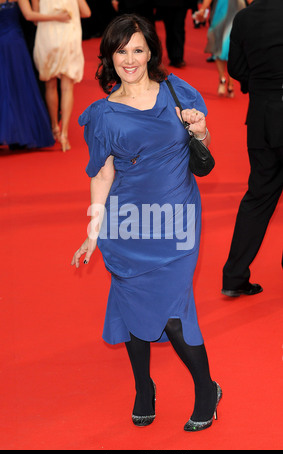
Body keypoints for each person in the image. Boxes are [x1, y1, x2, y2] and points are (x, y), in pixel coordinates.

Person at [71, 14, 222, 432]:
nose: (130, 59)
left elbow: (203, 150)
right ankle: (144, 388)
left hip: (176, 220)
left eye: (138, 49)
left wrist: (202, 129)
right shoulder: (103, 114)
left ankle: (206, 389)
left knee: (174, 315)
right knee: (132, 305)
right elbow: (102, 174)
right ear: (110, 57)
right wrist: (93, 230)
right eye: (121, 51)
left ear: (150, 51)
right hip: (127, 224)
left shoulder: (177, 91)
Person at [221, 0, 283, 297]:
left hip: (261, 120)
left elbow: (236, 67)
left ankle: (234, 276)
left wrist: (256, 85)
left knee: (258, 197)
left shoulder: (244, 18)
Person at [0, 0, 70, 149]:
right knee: (18, 88)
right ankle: (19, 134)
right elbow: (30, 15)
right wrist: (57, 17)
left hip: (12, 42)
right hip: (14, 43)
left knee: (5, 88)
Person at [32, 0, 91, 152]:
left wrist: (51, 16)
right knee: (67, 87)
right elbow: (86, 12)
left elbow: (35, 19)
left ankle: (54, 128)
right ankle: (64, 133)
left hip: (47, 35)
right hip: (69, 35)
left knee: (50, 85)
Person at [196, 0, 246, 97]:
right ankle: (222, 79)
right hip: (220, 11)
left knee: (232, 46)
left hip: (237, 10)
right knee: (218, 45)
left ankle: (229, 82)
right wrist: (202, 9)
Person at [154, 0, 189, 68]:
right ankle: (173, 56)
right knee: (169, 28)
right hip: (166, 4)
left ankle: (178, 57)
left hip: (181, 4)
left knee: (178, 28)